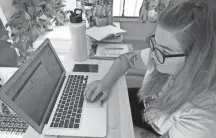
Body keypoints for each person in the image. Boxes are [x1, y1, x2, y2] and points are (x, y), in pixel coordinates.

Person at [84, 0, 216, 137]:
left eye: (164, 51)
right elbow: (125, 59)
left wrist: (123, 127)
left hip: (157, 129)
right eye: (155, 43)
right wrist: (105, 82)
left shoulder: (200, 119)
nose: (152, 54)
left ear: (196, 60)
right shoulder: (159, 55)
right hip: (148, 109)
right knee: (96, 110)